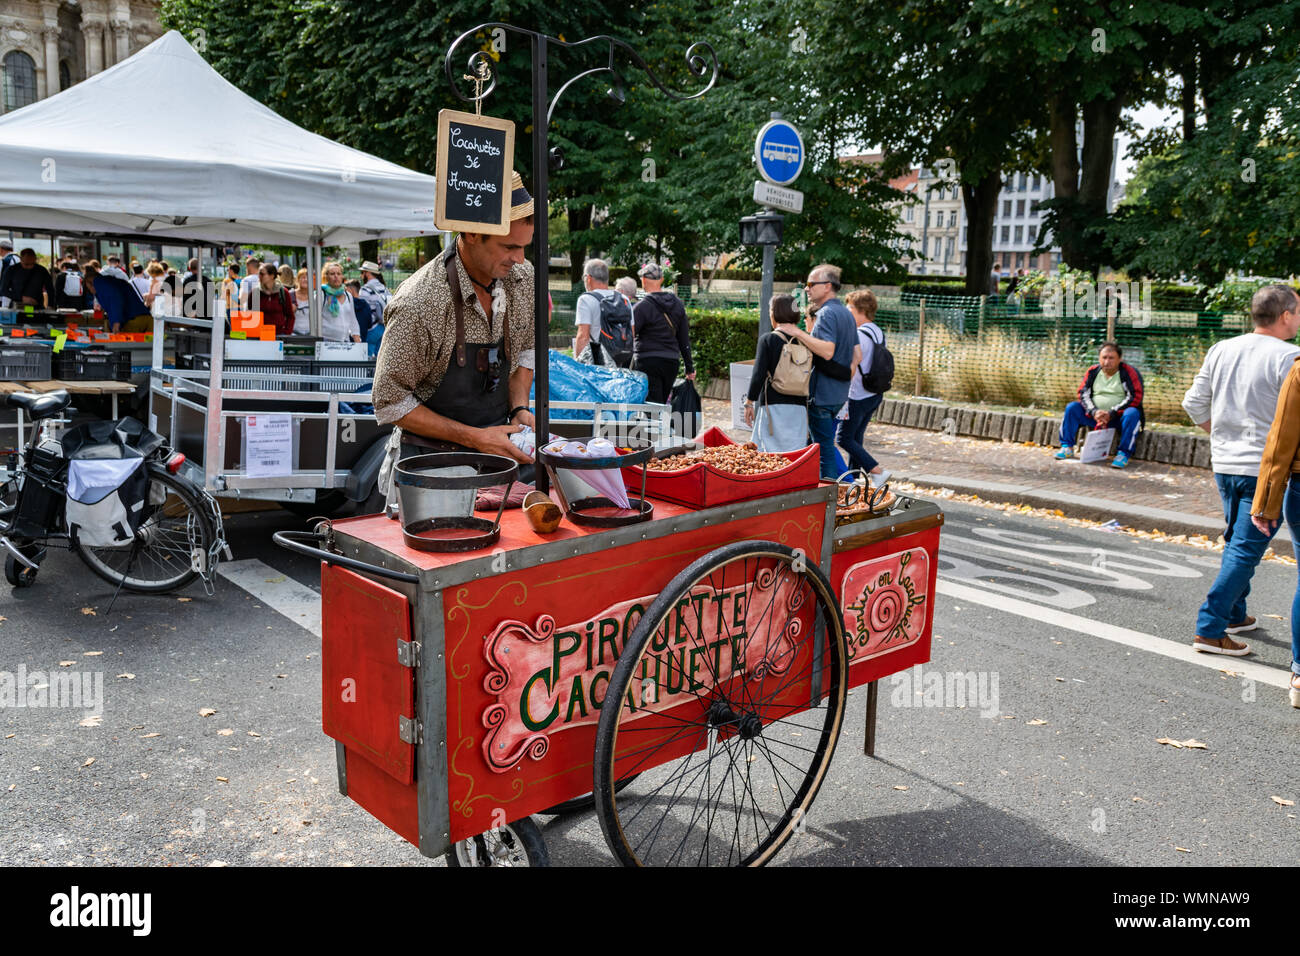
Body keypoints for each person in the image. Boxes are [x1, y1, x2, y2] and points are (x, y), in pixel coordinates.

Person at [372, 169, 537, 465]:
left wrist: (519, 408)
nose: (520, 259)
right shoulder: (420, 301)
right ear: (472, 233)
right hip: (428, 464)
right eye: (510, 247)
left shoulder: (522, 278)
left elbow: (526, 350)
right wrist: (474, 438)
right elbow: (390, 401)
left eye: (525, 247)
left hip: (501, 456)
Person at [1181, 285, 1300, 660]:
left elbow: (1193, 402)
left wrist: (1220, 434)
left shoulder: (1222, 348)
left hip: (1225, 463)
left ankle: (1234, 614)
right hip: (1266, 471)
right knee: (1246, 550)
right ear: (1285, 316)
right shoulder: (1289, 356)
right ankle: (1210, 628)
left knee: (1237, 541)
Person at [777, 263, 859, 480]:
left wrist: (798, 333)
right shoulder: (847, 313)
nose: (807, 288)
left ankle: (829, 500)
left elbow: (827, 351)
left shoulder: (826, 314)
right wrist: (844, 379)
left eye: (812, 284)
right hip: (839, 395)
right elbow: (857, 355)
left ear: (828, 287)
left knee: (823, 452)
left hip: (821, 395)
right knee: (819, 446)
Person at [1053, 342, 1144, 468]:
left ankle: (1123, 454)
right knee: (1072, 408)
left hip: (1118, 418)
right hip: (1095, 416)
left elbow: (1135, 397)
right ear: (1099, 358)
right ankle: (1067, 447)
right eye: (1104, 357)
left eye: (1111, 358)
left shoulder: (1129, 372)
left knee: (1133, 413)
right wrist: (1094, 411)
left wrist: (1111, 413)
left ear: (1120, 359)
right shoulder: (1093, 371)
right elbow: (1083, 393)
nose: (1107, 361)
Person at [743, 294, 810, 452]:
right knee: (794, 453)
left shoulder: (768, 340)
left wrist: (749, 402)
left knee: (769, 453)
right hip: (800, 407)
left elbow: (758, 374)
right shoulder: (805, 340)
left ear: (774, 313)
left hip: (773, 405)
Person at [838, 288, 889, 480]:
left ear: (860, 309)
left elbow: (852, 364)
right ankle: (855, 478)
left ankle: (876, 470)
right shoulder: (877, 331)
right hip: (874, 393)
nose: (847, 310)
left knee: (843, 438)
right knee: (856, 438)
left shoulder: (858, 335)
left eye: (849, 307)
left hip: (857, 394)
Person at [631, 262, 694, 404]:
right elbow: (684, 338)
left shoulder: (641, 307)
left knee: (650, 404)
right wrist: (689, 367)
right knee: (662, 402)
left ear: (643, 280)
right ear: (661, 280)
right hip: (671, 361)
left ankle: (653, 426)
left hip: (647, 360)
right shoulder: (678, 304)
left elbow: (630, 335)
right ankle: (661, 425)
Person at [575, 258, 630, 367]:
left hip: (598, 362)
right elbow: (631, 330)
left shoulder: (586, 299)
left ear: (588, 278)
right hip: (621, 360)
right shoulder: (623, 299)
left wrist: (578, 366)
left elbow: (583, 336)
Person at [316, 261, 361, 342]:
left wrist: (357, 337)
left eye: (338, 274)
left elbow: (352, 319)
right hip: (326, 341)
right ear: (326, 277)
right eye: (332, 274)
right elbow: (315, 319)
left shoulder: (348, 295)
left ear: (342, 276)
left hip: (345, 341)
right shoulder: (321, 294)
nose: (336, 276)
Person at [251, 263, 296, 335]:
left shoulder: (283, 292)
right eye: (259, 274)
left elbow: (290, 316)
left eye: (262, 274)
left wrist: (286, 333)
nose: (259, 276)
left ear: (272, 276)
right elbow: (250, 314)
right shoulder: (255, 292)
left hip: (279, 335)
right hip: (260, 337)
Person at [0, 239, 18, 307]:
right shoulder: (19, 258)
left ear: (1, 249)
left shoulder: (4, 261)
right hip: (19, 294)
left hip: (5, 295)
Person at [293, 268, 311, 333]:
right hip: (293, 334)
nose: (305, 279)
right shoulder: (291, 294)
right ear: (298, 279)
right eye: (303, 277)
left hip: (311, 334)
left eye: (308, 277)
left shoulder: (315, 296)